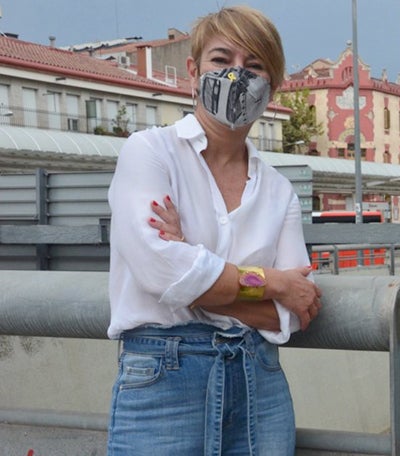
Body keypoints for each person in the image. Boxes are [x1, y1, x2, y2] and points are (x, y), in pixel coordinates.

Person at [105, 6, 322, 455]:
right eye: (222, 61)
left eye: (255, 66)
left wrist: (193, 265)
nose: (237, 76)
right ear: (193, 70)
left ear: (272, 87)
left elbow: (289, 315)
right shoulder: (149, 154)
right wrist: (273, 282)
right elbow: (160, 273)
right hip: (164, 381)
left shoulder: (279, 192)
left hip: (258, 383)